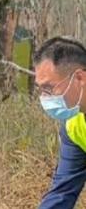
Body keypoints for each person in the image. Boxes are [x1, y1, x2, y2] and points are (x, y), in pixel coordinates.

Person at [34, 37, 86, 209]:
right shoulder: (74, 127)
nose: (44, 97)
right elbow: (62, 193)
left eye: (49, 88)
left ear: (80, 78)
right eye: (41, 89)